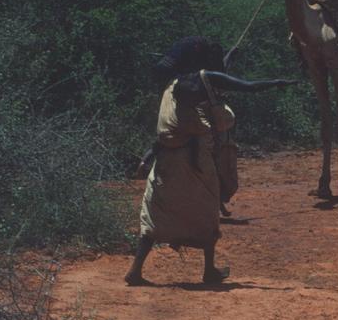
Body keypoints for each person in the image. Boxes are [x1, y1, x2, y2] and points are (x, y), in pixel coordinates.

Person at [126, 69, 295, 287]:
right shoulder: (196, 120)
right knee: (206, 214)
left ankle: (135, 269)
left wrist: (146, 159)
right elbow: (244, 92)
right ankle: (208, 271)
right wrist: (276, 81)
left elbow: (162, 139)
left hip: (166, 166)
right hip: (195, 168)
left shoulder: (171, 103)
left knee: (153, 216)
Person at [150, 37, 239, 215]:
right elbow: (222, 76)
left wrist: (231, 55)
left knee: (168, 140)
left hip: (179, 115)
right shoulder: (201, 75)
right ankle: (214, 201)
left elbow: (220, 73)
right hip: (196, 117)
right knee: (212, 151)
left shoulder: (186, 71)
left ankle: (148, 158)